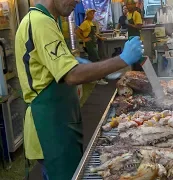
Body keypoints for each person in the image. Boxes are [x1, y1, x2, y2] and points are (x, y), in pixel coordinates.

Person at [14, 0, 143, 179]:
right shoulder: (40, 22)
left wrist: (74, 63)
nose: (77, 1)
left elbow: (53, 67)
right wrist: (123, 59)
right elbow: (72, 75)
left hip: (59, 121)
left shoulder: (46, 20)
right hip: (50, 126)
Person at [75, 9, 108, 85]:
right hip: (88, 45)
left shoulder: (91, 23)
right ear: (87, 15)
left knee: (92, 61)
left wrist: (100, 38)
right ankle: (98, 79)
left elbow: (94, 33)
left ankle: (92, 79)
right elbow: (77, 31)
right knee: (96, 60)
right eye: (91, 14)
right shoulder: (85, 23)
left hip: (92, 44)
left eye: (93, 14)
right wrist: (84, 39)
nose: (92, 15)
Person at [125, 0, 143, 71]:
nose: (129, 6)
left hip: (137, 39)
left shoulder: (136, 14)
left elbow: (139, 26)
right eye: (127, 4)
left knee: (138, 58)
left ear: (134, 5)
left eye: (130, 4)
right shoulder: (128, 14)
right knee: (133, 58)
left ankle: (140, 75)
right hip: (130, 38)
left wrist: (129, 25)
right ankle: (134, 76)